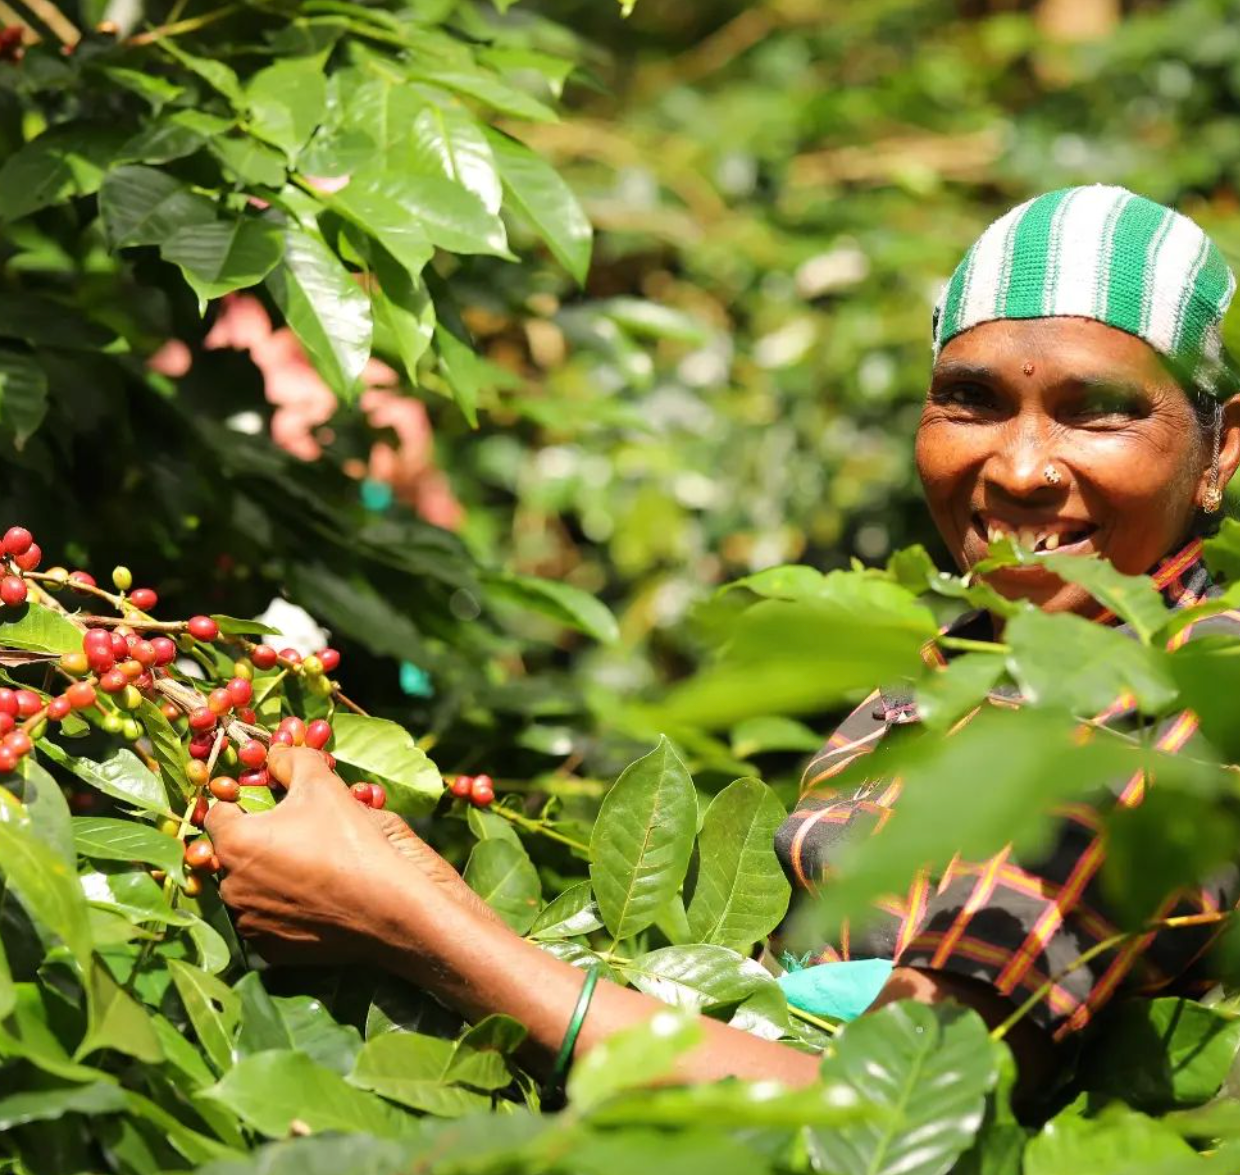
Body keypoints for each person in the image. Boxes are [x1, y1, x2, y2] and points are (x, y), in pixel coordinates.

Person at [207, 184, 1240, 1093]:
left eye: (1095, 413)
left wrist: (422, 931)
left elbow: (891, 1110)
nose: (1019, 468)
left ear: (1217, 452)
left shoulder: (1155, 714)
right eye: (968, 399)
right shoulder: (953, 671)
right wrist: (419, 880)